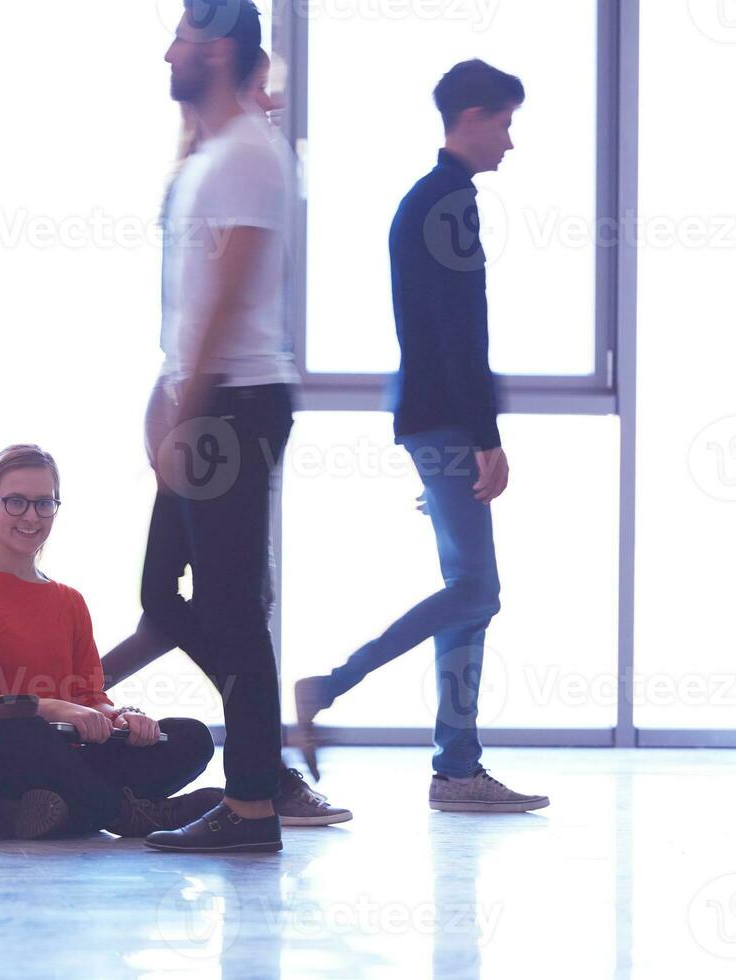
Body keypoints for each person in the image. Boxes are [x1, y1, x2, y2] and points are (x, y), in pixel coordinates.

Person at [103, 44, 352, 833]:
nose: (167, 50)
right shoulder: (210, 156)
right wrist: (166, 391)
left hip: (230, 405)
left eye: (181, 35)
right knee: (167, 595)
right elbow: (185, 302)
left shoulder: (247, 153)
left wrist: (188, 407)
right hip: (205, 399)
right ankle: (261, 762)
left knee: (232, 607)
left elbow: (229, 291)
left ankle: (253, 796)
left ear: (215, 52)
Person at [294, 60, 549, 813]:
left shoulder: (426, 200)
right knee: (475, 589)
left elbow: (436, 330)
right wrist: (483, 437)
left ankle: (456, 767)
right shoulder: (448, 202)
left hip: (428, 417)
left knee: (469, 594)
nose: (510, 141)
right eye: (504, 122)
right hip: (443, 419)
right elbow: (458, 331)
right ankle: (331, 688)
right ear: (470, 116)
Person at [0, 445, 224, 840]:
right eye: (15, 502)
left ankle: (38, 814)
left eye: (43, 503)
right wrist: (54, 708)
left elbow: (88, 694)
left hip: (63, 757)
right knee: (14, 733)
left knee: (190, 736)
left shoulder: (69, 600)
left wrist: (121, 717)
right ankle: (130, 814)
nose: (31, 516)